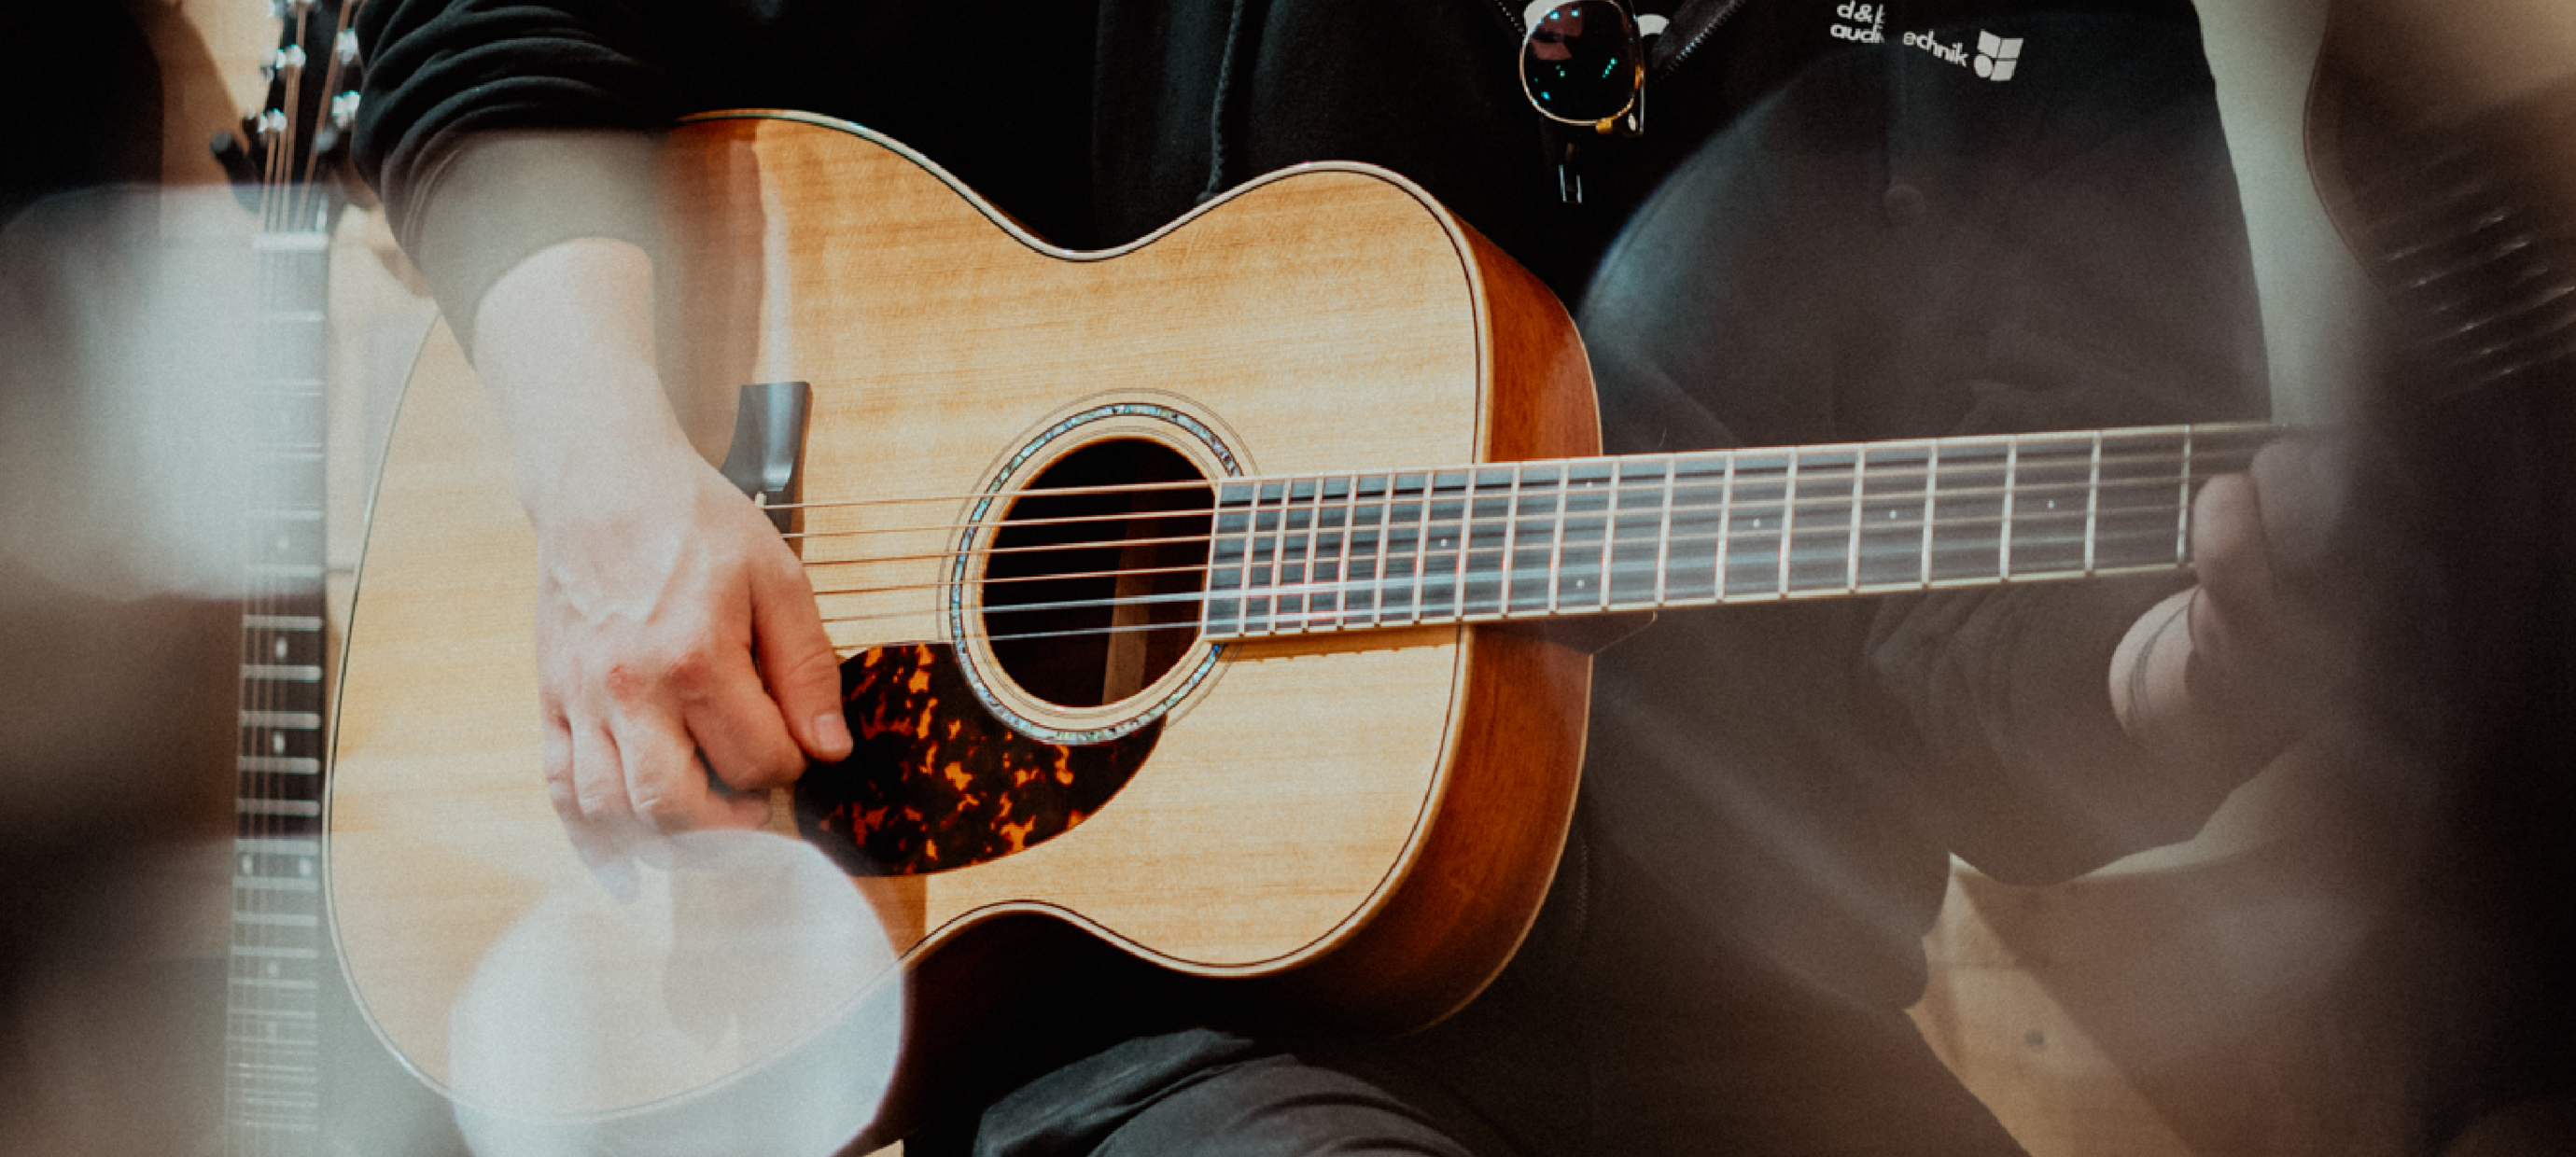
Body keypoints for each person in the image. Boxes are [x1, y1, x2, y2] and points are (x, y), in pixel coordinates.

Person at [351, 0, 2321, 1152]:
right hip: (1109, 1009)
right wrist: (612, 468)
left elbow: (1994, 673)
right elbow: (480, 33)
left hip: (1735, 1031)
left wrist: (2162, 685)